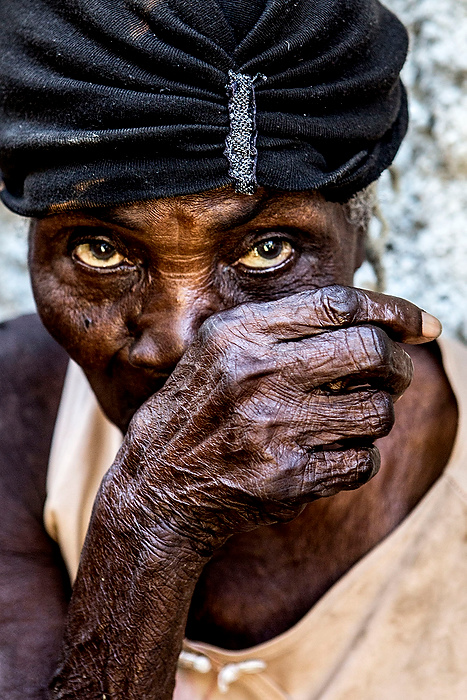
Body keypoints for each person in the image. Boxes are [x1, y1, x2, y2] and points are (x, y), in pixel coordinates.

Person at [0, 0, 464, 698]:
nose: (180, 342)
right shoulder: (16, 412)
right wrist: (150, 530)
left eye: (266, 249)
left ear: (361, 230)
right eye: (101, 251)